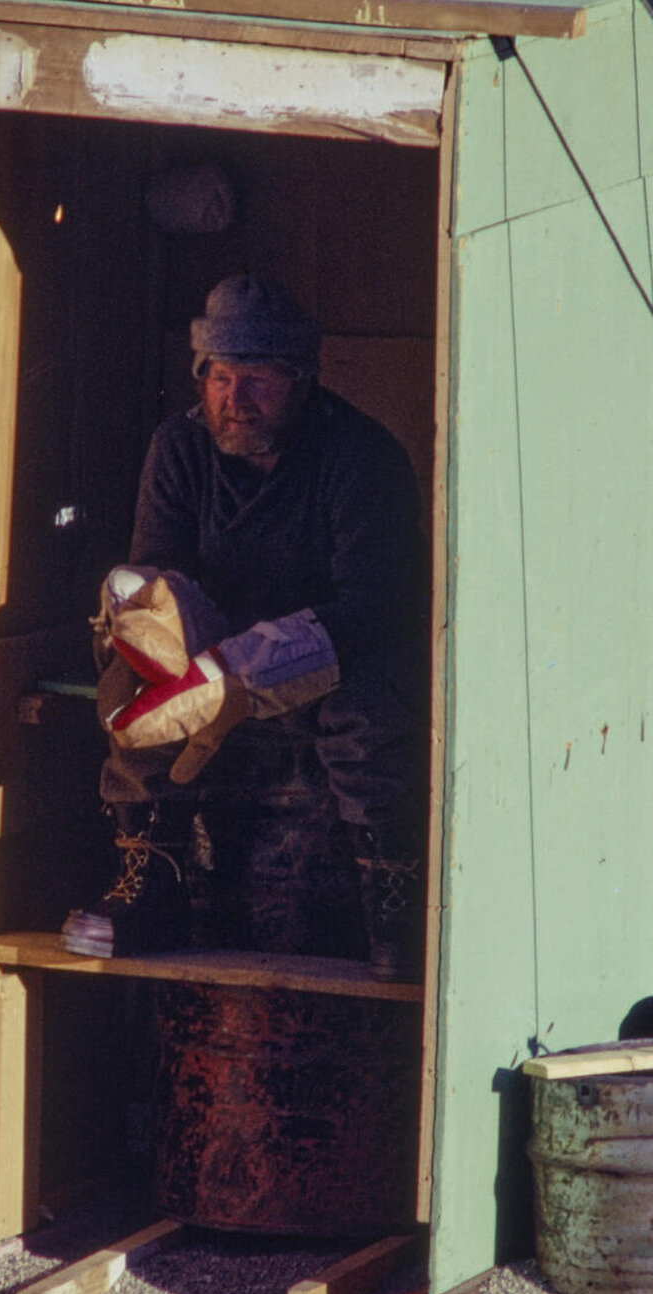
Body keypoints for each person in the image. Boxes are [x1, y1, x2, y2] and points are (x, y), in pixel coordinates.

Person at [62, 272, 429, 979]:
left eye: (257, 378)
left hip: (329, 652)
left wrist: (246, 672)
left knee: (376, 704)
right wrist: (162, 639)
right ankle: (155, 877)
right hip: (216, 646)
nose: (236, 400)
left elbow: (373, 605)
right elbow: (162, 572)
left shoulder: (362, 457)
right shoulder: (179, 447)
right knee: (130, 685)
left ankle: (390, 900)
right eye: (221, 377)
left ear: (300, 379)